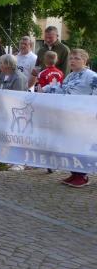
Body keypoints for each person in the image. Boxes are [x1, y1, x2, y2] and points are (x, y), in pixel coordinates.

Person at [43, 49, 97, 188]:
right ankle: (74, 173)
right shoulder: (70, 76)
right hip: (68, 117)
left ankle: (82, 176)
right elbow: (62, 90)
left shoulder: (91, 76)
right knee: (70, 145)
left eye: (76, 58)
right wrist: (46, 89)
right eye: (71, 58)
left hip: (83, 118)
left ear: (84, 60)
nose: (72, 61)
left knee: (81, 146)